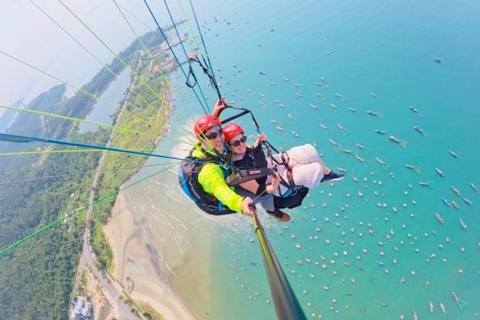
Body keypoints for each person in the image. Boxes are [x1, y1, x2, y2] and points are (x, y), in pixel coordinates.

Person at [222, 122, 344, 207]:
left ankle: (327, 174)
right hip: (273, 181)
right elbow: (260, 191)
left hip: (273, 163)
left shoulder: (244, 149)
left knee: (308, 150)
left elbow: (252, 150)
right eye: (236, 143)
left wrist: (258, 142)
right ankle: (316, 175)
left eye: (242, 139)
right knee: (314, 170)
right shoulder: (238, 171)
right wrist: (273, 186)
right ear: (229, 147)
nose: (242, 144)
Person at [178, 114, 254, 216]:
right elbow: (219, 189)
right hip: (219, 201)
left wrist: (216, 114)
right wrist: (239, 203)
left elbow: (209, 131)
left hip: (225, 176)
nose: (219, 139)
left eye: (220, 132)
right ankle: (273, 211)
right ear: (201, 139)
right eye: (212, 136)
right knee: (264, 196)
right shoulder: (208, 170)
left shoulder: (202, 145)